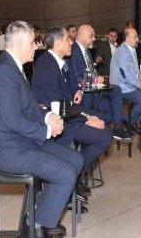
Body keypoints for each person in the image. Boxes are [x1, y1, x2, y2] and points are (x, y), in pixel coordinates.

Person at [0, 21, 81, 238]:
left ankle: (41, 215)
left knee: (75, 160)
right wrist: (46, 131)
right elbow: (12, 120)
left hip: (19, 140)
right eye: (34, 42)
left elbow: (31, 107)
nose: (37, 46)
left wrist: (48, 117)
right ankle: (35, 226)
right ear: (20, 43)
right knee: (65, 173)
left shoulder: (13, 66)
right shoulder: (4, 72)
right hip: (6, 149)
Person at [32, 26, 112, 192]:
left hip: (68, 112)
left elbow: (69, 90)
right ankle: (74, 174)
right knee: (104, 137)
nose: (71, 42)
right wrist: (85, 118)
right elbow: (56, 106)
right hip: (60, 122)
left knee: (102, 121)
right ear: (57, 42)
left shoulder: (59, 62)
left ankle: (74, 173)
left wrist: (77, 92)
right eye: (67, 39)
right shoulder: (47, 66)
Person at [70, 24, 129, 140]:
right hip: (84, 93)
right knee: (113, 110)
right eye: (91, 36)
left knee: (117, 90)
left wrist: (98, 79)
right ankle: (106, 127)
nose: (93, 39)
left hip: (94, 88)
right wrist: (96, 80)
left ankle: (117, 126)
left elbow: (92, 72)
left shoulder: (86, 51)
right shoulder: (73, 51)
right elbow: (76, 78)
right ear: (82, 35)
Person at [110, 28, 141, 132]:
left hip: (131, 85)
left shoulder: (132, 50)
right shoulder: (122, 51)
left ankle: (130, 121)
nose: (137, 39)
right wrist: (138, 83)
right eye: (135, 37)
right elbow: (125, 74)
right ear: (127, 38)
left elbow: (136, 69)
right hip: (121, 87)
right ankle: (129, 121)